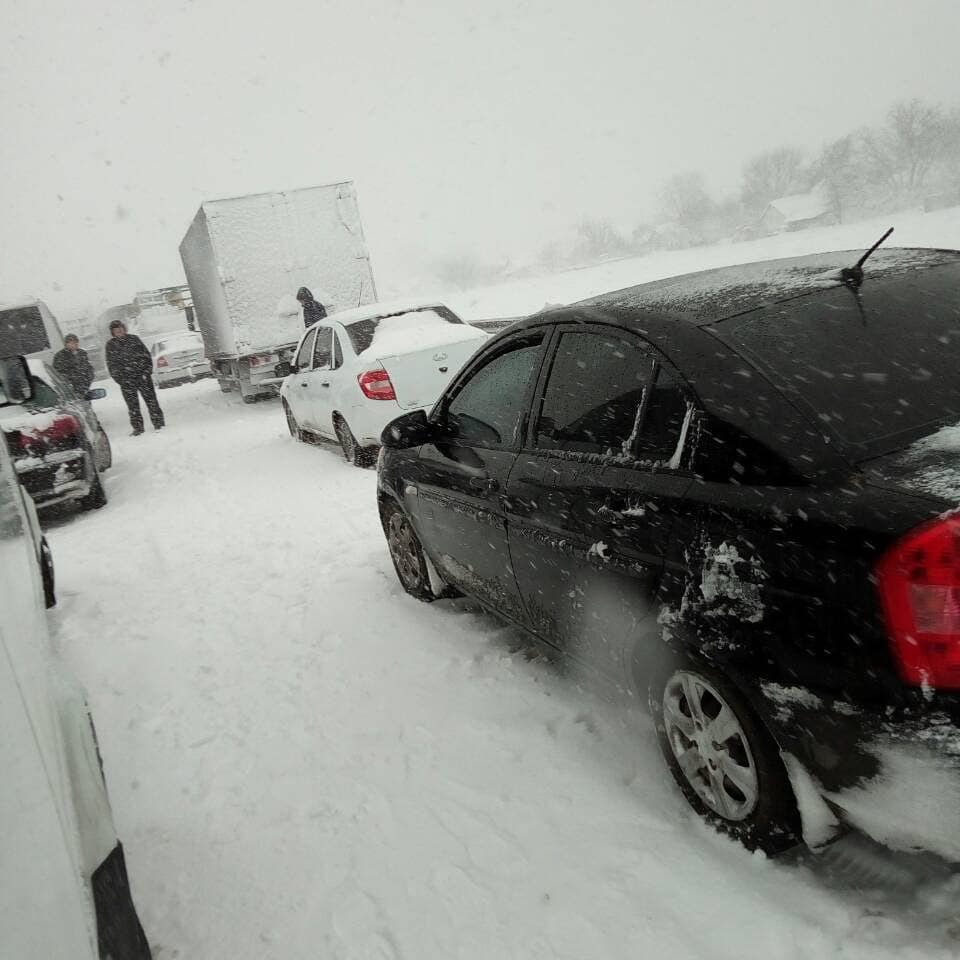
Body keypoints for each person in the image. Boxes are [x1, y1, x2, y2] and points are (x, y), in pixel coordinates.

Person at [105, 321, 165, 436]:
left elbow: (146, 356)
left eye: (121, 328)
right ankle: (138, 428)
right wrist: (121, 380)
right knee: (132, 406)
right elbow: (111, 365)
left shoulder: (134, 339)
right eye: (116, 330)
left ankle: (159, 423)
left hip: (142, 377)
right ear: (113, 332)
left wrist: (146, 372)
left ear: (124, 328)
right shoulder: (110, 345)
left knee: (152, 402)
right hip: (126, 381)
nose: (119, 331)